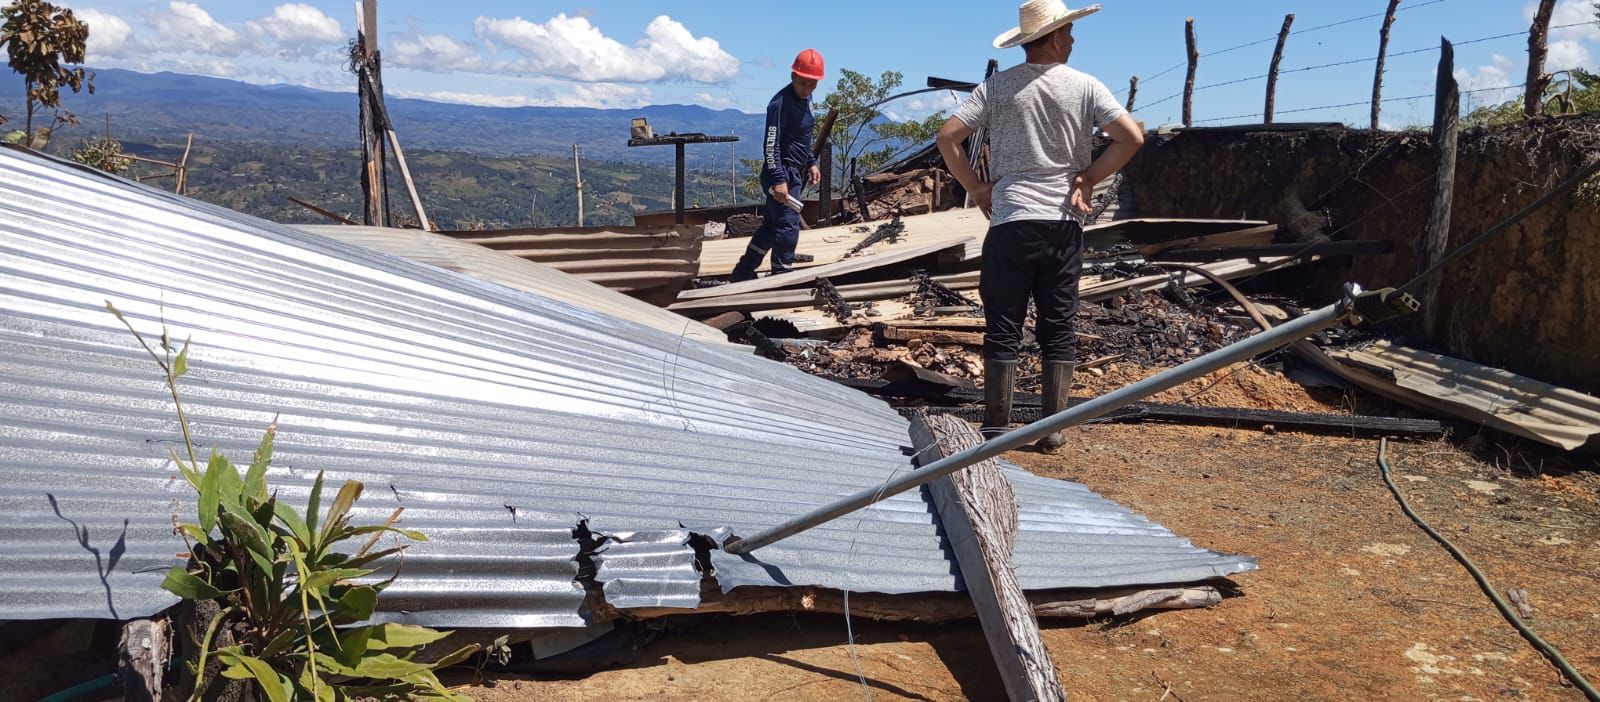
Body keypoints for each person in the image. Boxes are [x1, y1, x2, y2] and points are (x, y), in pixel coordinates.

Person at [935, 0, 1144, 452]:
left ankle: (995, 431)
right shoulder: (1086, 87)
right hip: (1062, 223)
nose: (1072, 39)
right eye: (1068, 32)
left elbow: (948, 137)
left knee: (1003, 323)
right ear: (1052, 37)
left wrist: (977, 186)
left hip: (1011, 222)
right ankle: (1051, 431)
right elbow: (1132, 137)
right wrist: (1087, 178)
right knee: (1058, 324)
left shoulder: (996, 88)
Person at [730, 49, 826, 282]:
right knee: (788, 226)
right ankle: (781, 276)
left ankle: (742, 273)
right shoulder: (780, 104)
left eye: (812, 85)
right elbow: (770, 145)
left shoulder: (807, 101)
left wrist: (811, 162)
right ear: (793, 76)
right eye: (802, 83)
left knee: (772, 226)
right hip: (781, 173)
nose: (806, 89)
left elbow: (804, 136)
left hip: (796, 172)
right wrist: (779, 180)